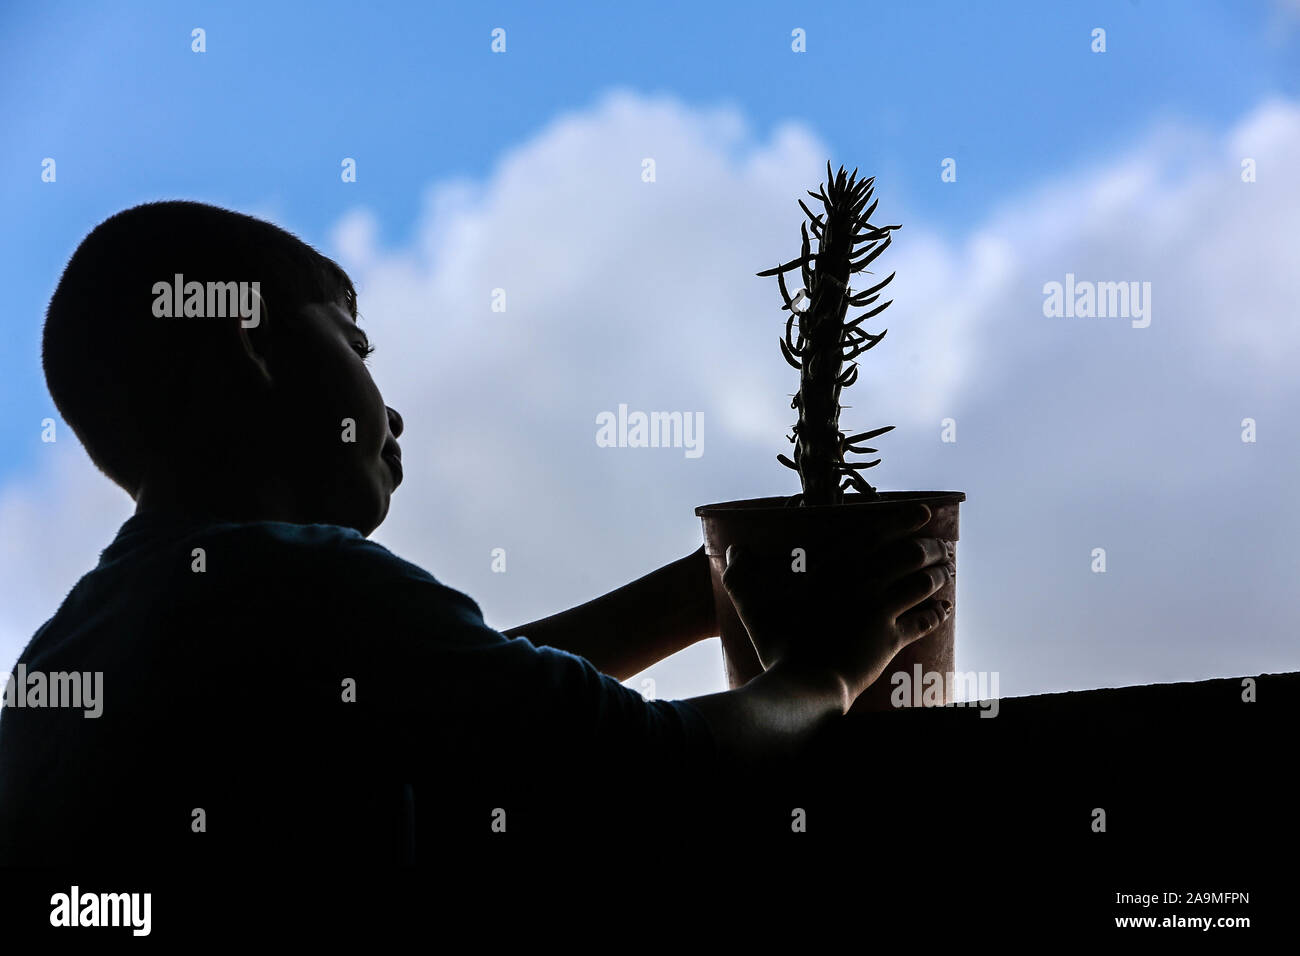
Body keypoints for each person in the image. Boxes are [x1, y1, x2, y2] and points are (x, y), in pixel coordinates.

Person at [0, 201, 953, 863]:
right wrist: (826, 671)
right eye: (357, 345)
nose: (393, 410)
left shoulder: (83, 642)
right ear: (251, 346)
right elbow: (654, 767)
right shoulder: (304, 583)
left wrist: (686, 599)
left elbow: (473, 696)